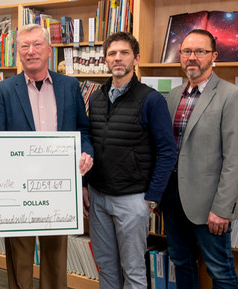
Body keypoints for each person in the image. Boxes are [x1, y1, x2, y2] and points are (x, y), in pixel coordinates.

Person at [0, 24, 94, 289]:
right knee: (20, 256)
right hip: (17, 188)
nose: (31, 51)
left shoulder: (70, 86)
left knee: (55, 255)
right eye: (24, 46)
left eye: (37, 45)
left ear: (49, 49)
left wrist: (86, 154)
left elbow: (83, 130)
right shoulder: (3, 90)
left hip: (59, 186)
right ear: (17, 53)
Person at [83, 32, 177, 289]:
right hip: (98, 198)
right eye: (112, 53)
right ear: (105, 60)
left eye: (124, 53)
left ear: (136, 58)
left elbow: (168, 152)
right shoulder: (97, 96)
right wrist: (85, 185)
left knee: (133, 270)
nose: (118, 58)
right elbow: (90, 143)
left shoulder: (151, 99)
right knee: (105, 266)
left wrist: (152, 198)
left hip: (133, 199)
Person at [162, 29, 238, 288]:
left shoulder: (232, 96)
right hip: (173, 198)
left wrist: (222, 209)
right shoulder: (174, 95)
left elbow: (235, 159)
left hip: (210, 204)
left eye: (200, 51)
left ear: (214, 56)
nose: (192, 57)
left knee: (220, 271)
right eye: (187, 51)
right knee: (181, 262)